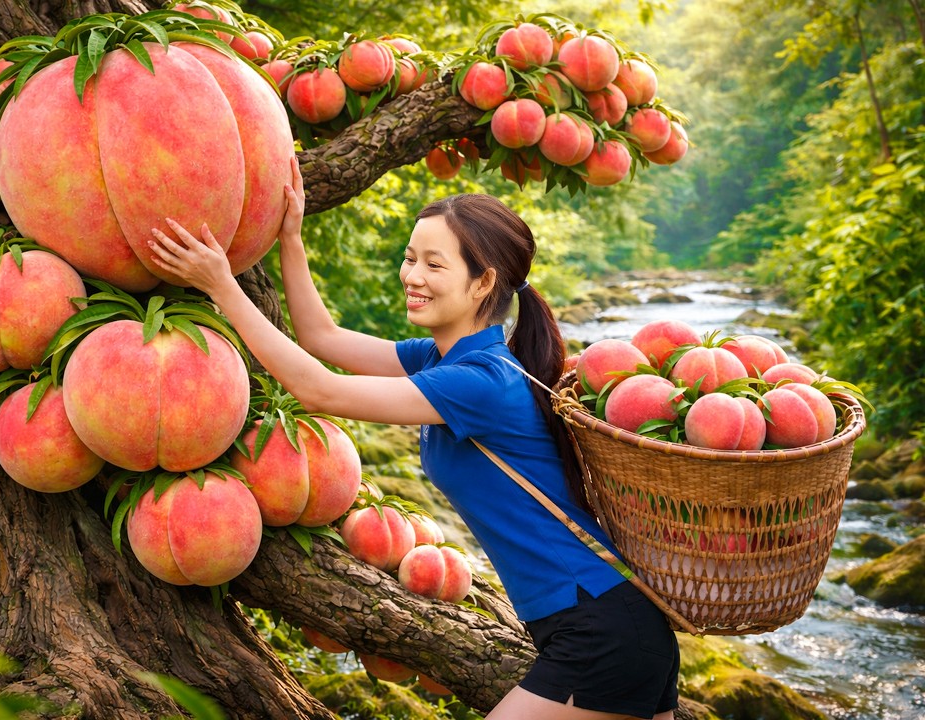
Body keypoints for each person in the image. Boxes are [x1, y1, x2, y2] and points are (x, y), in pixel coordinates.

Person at [147, 158, 679, 720]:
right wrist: (291, 238)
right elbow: (321, 338)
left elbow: (318, 390)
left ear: (483, 283)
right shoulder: (444, 358)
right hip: (602, 619)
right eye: (409, 258)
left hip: (598, 625)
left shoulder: (479, 382)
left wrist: (220, 285)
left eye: (433, 263)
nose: (411, 275)